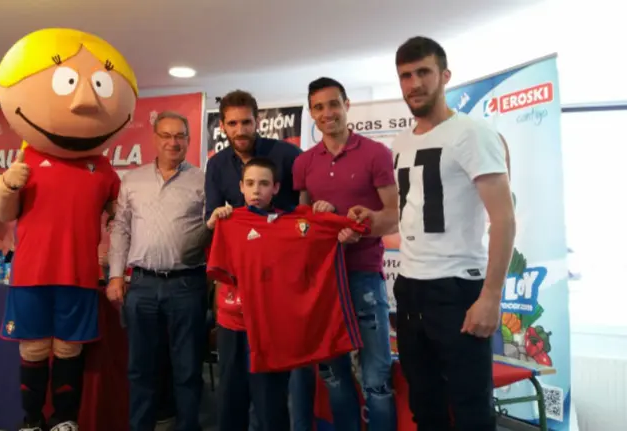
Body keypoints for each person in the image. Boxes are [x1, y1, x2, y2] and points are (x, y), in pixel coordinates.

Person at [0, 28, 137, 431]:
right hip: (31, 273)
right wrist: (4, 185)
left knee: (69, 350)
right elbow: (3, 210)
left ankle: (65, 421)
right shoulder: (27, 158)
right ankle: (32, 420)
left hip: (80, 275)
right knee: (34, 349)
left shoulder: (102, 168)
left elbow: (122, 217)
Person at [384, 36, 515, 430]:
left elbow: (504, 218)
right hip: (410, 289)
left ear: (444, 76)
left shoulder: (473, 133)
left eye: (423, 72)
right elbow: (407, 212)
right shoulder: (401, 142)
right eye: (405, 75)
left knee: (472, 410)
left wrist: (491, 296)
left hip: (459, 289)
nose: (414, 84)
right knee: (425, 408)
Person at [206, 157, 365, 431]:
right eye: (251, 183)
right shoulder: (228, 220)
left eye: (264, 184)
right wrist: (212, 224)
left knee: (271, 401)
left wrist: (333, 218)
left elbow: (347, 229)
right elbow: (216, 268)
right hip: (234, 324)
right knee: (230, 397)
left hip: (272, 326)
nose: (257, 190)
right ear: (241, 187)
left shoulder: (296, 222)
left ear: (276, 188)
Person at [291, 77, 399, 431]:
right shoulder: (304, 163)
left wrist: (363, 227)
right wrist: (318, 216)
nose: (327, 113)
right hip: (323, 282)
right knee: (334, 376)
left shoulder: (376, 153)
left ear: (347, 104)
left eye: (333, 104)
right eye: (319, 107)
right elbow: (301, 227)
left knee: (376, 378)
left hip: (364, 276)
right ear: (311, 113)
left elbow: (393, 215)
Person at [203, 90, 302, 431]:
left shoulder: (287, 155)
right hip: (234, 302)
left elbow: (304, 209)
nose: (240, 129)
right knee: (232, 386)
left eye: (246, 121)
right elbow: (212, 222)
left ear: (257, 121)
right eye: (232, 123)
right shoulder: (216, 165)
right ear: (223, 127)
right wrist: (217, 219)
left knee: (272, 388)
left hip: (277, 297)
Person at [108, 111, 209, 431]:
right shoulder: (132, 180)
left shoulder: (203, 180)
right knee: (141, 368)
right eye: (166, 135)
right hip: (141, 286)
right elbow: (120, 230)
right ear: (154, 138)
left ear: (189, 141)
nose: (173, 142)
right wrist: (114, 275)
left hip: (188, 284)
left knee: (187, 369)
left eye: (180, 136)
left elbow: (216, 230)